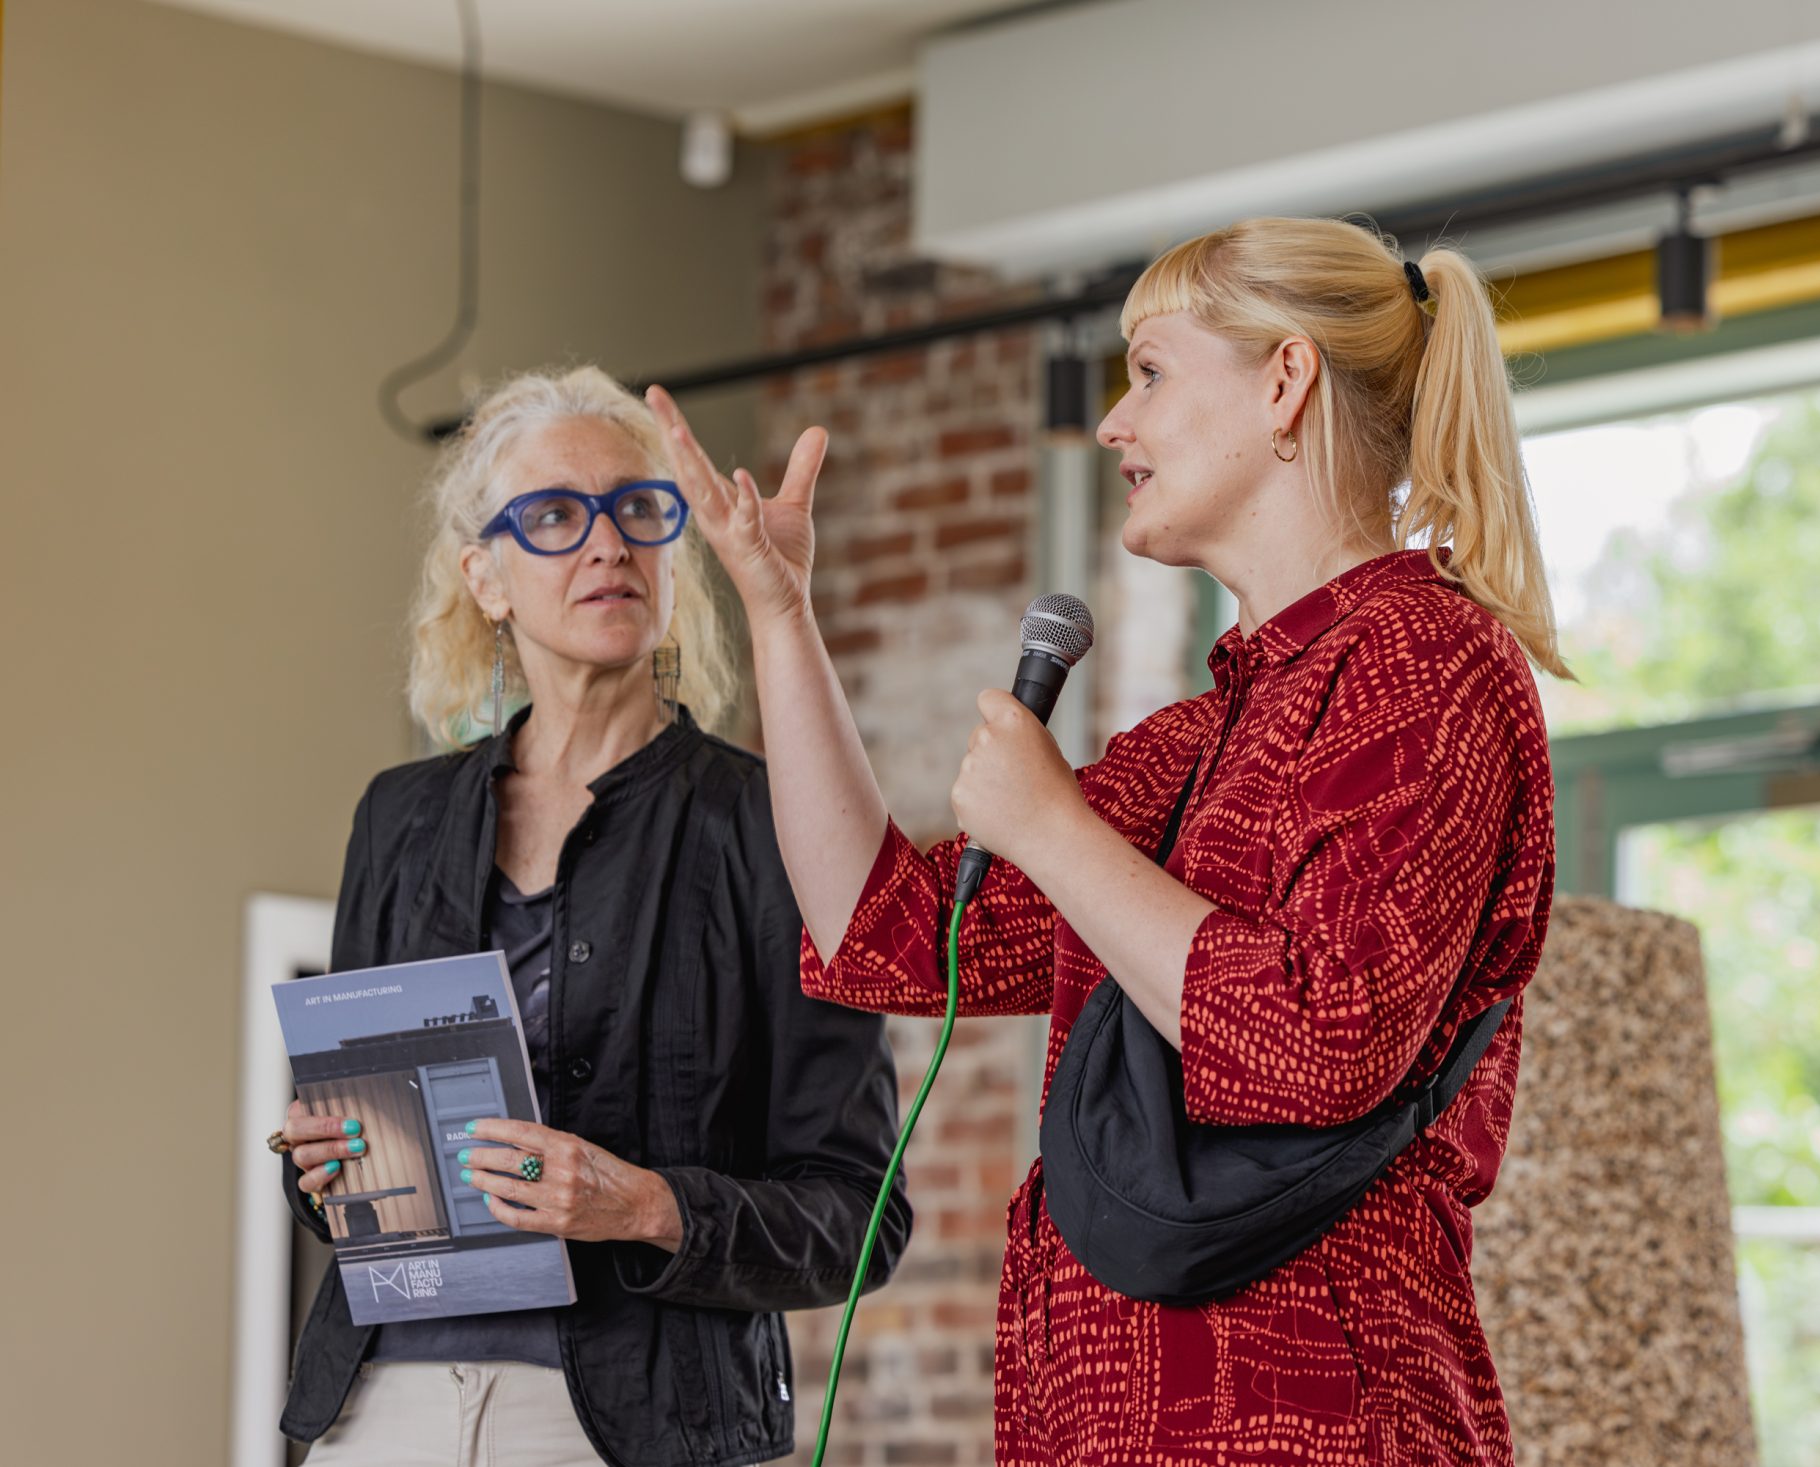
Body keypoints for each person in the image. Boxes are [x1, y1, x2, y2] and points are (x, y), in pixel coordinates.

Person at [662, 214, 1564, 1463]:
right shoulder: (1204, 734)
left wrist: (1053, 828)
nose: (1111, 425)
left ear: (1284, 380)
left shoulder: (1426, 660)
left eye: (1148, 372)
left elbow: (1322, 1038)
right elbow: (898, 938)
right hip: (1103, 1412)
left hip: (1311, 1416)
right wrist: (777, 613)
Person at [269, 366, 910, 1466]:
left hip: (631, 1429)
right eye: (557, 516)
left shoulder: (769, 823)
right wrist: (322, 1166)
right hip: (380, 1407)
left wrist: (646, 1206)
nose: (606, 543)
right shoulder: (398, 819)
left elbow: (860, 1221)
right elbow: (351, 1186)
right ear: (487, 577)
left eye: (638, 510)